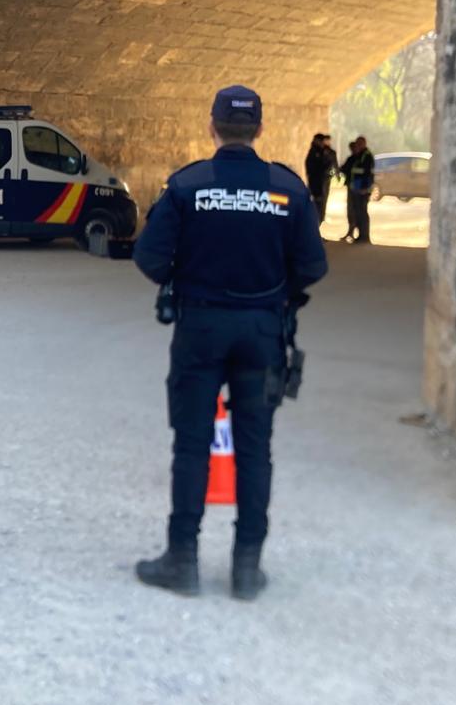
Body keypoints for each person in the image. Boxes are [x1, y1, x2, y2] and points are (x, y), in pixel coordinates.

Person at [130, 85, 328, 601]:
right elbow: (313, 266)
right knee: (255, 449)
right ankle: (246, 569)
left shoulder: (188, 186)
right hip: (262, 332)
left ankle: (183, 560)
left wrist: (187, 276)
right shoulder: (288, 190)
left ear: (212, 127)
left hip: (199, 329)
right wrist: (275, 287)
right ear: (259, 130)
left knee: (192, 444)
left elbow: (148, 258)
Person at [339, 136, 375, 245]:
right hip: (356, 188)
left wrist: (365, 188)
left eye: (359, 144)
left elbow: (367, 173)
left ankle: (364, 236)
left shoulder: (366, 156)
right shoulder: (358, 156)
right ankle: (360, 235)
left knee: (362, 212)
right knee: (357, 212)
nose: (357, 146)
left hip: (363, 189)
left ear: (363, 144)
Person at [303, 133, 338, 222]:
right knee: (317, 206)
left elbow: (331, 166)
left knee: (321, 206)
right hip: (317, 184)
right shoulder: (315, 152)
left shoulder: (325, 151)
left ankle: (318, 225)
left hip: (322, 183)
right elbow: (315, 168)